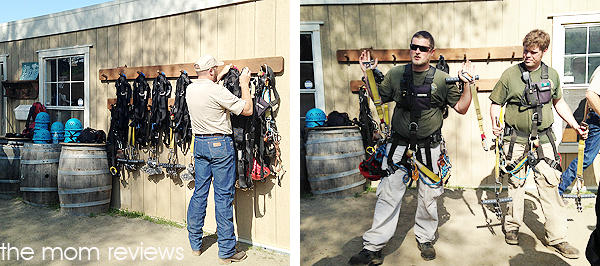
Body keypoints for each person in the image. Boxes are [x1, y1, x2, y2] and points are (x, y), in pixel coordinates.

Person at [349, 30, 474, 264]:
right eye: (414, 46)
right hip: (398, 148)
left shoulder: (441, 79)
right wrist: (366, 73)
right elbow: (379, 97)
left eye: (423, 48)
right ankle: (373, 247)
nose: (417, 51)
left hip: (430, 149)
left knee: (428, 196)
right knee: (388, 194)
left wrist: (467, 84)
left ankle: (425, 238)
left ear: (432, 52)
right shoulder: (397, 75)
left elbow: (462, 107)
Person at [489, 29, 588, 259]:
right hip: (515, 139)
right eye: (525, 51)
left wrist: (573, 124)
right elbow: (496, 102)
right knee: (515, 183)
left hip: (543, 139)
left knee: (550, 184)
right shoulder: (510, 75)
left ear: (544, 51)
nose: (527, 55)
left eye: (533, 52)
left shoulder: (551, 75)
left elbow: (559, 102)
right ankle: (512, 226)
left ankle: (557, 238)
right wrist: (495, 122)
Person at [186, 54, 252, 264]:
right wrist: (244, 84)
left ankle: (195, 245)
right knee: (223, 197)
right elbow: (247, 109)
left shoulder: (190, 88)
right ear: (212, 71)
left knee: (199, 193)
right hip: (220, 146)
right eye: (216, 69)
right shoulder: (216, 90)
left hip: (200, 145)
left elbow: (209, 89)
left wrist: (219, 76)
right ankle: (226, 251)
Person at [558, 65, 600, 196]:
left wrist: (585, 119)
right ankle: (558, 190)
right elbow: (591, 95)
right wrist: (587, 120)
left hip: (594, 117)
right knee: (586, 158)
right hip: (597, 120)